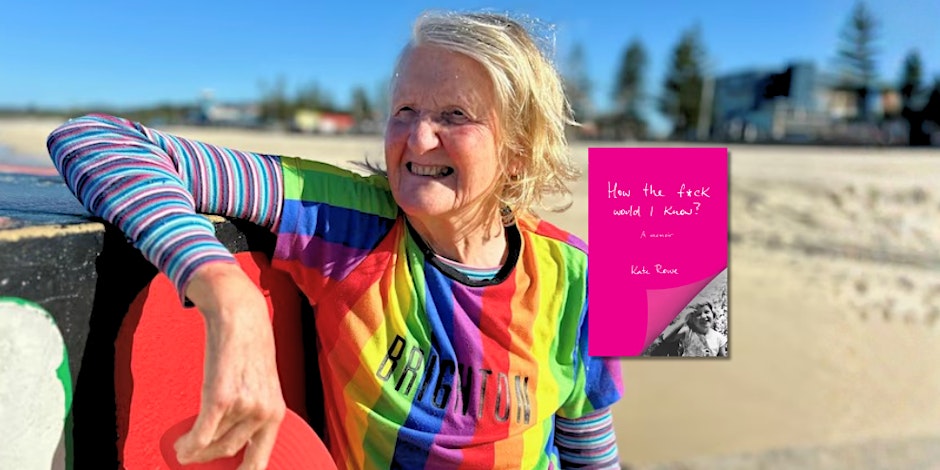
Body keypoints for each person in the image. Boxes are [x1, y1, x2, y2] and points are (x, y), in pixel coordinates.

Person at [48, 11, 623, 469]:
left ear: (518, 151)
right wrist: (226, 290)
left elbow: (589, 447)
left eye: (455, 114)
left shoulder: (576, 276)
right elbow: (94, 139)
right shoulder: (345, 221)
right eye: (405, 110)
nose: (418, 138)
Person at [651, 302, 727, 357]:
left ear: (713, 314)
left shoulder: (719, 337)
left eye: (706, 312)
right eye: (698, 314)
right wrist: (683, 320)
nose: (703, 316)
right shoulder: (689, 332)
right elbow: (666, 337)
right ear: (692, 320)